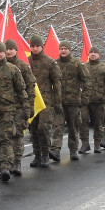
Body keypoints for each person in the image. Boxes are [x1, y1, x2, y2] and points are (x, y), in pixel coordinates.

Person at [0, 41, 27, 181]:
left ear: (4, 53)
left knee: (5, 138)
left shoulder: (12, 69)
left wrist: (26, 108)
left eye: (1, 52)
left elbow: (21, 90)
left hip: (8, 111)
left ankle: (5, 167)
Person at [28, 35, 63, 167]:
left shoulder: (49, 62)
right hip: (32, 101)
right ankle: (37, 155)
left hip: (46, 101)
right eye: (32, 46)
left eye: (37, 46)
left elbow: (57, 83)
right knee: (34, 129)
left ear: (42, 47)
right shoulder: (27, 61)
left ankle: (45, 154)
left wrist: (57, 101)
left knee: (43, 128)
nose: (35, 48)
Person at [4, 39, 36, 175]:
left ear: (16, 50)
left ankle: (16, 162)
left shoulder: (23, 66)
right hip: (3, 107)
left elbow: (30, 87)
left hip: (19, 106)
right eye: (6, 49)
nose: (8, 51)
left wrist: (29, 106)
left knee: (16, 134)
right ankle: (4, 165)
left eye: (11, 48)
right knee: (4, 137)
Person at [54, 41, 88, 159]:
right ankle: (55, 151)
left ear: (69, 50)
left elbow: (86, 80)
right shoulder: (55, 64)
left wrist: (84, 97)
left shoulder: (77, 63)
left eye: (65, 49)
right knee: (57, 127)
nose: (63, 51)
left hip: (73, 102)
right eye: (61, 48)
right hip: (59, 102)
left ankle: (73, 150)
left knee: (73, 127)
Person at [80, 46, 105, 153]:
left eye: (95, 52)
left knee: (98, 123)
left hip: (99, 100)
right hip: (85, 100)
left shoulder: (104, 68)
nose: (93, 54)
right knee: (83, 121)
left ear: (99, 54)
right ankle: (85, 144)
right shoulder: (83, 67)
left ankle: (97, 144)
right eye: (91, 52)